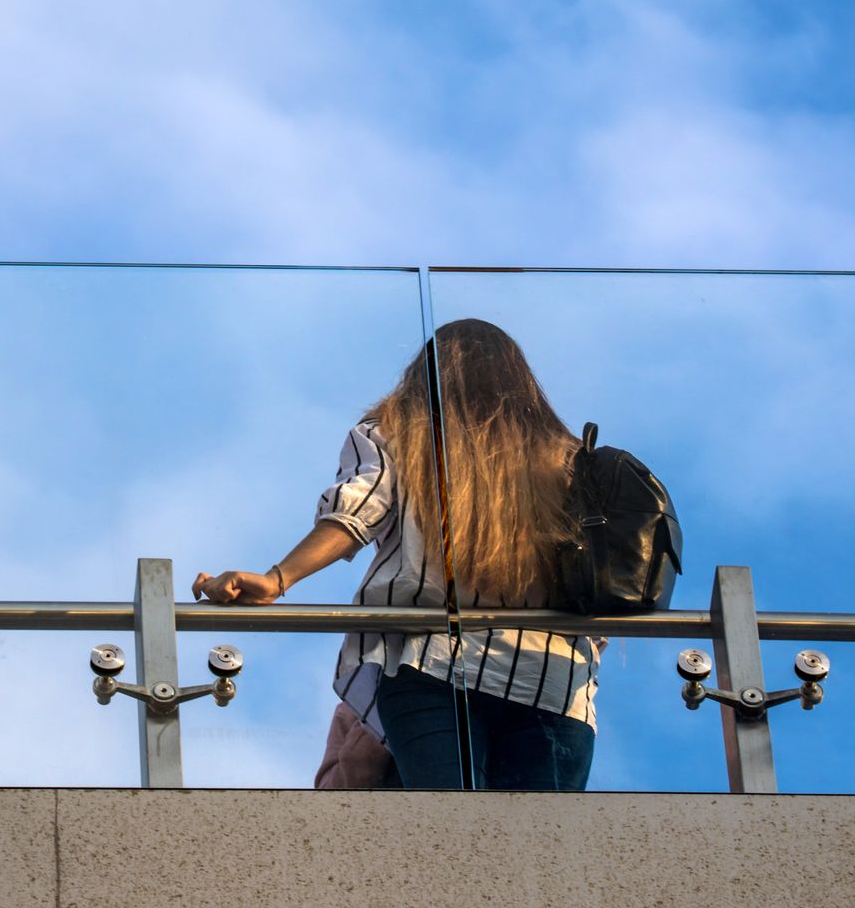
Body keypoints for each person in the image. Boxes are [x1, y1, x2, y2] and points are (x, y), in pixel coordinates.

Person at [192, 318, 599, 791]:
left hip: (432, 662)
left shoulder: (396, 433)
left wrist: (278, 579)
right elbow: (598, 570)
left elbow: (355, 513)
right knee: (543, 853)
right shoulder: (571, 459)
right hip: (553, 676)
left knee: (448, 838)